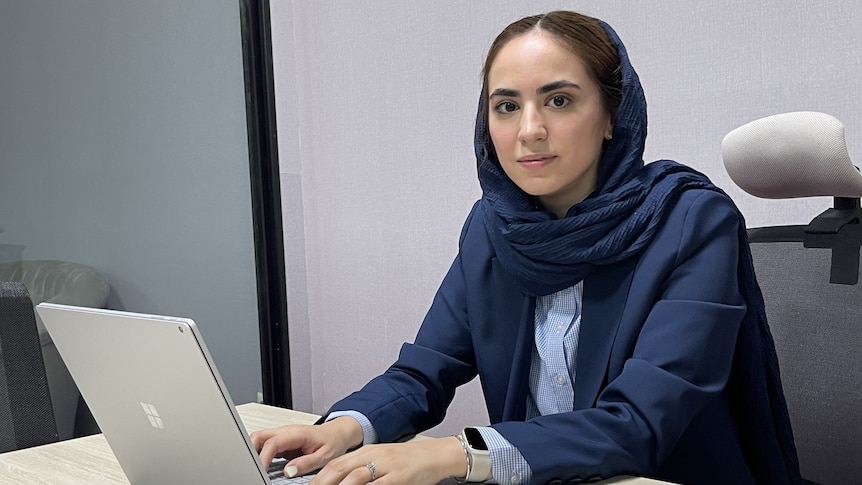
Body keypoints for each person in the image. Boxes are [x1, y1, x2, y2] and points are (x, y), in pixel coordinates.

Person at [252, 11, 801, 485]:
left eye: (558, 100)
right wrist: (343, 428)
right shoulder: (494, 227)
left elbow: (639, 421)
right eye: (506, 106)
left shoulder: (691, 220)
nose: (529, 130)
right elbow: (425, 371)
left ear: (613, 114)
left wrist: (453, 452)